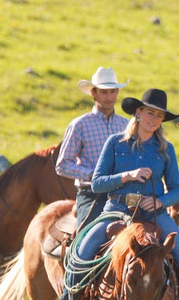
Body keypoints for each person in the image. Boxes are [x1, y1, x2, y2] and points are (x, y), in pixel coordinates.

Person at [55, 87, 179, 300]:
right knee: (81, 253)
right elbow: (96, 183)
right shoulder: (115, 143)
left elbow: (176, 190)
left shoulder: (166, 150)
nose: (153, 119)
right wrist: (126, 176)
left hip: (154, 215)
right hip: (116, 210)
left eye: (159, 115)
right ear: (138, 113)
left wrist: (160, 201)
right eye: (149, 113)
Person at [55, 66, 130, 230]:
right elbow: (62, 165)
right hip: (91, 194)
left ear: (117, 93)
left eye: (112, 91)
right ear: (93, 93)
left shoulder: (126, 125)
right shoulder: (79, 125)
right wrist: (92, 174)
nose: (109, 97)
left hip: (123, 195)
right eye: (104, 92)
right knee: (85, 241)